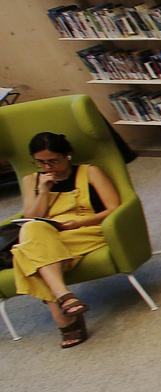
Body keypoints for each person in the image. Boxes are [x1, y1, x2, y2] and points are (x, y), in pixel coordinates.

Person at [8, 130, 120, 349]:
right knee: (32, 229)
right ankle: (65, 297)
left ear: (67, 155)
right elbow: (31, 216)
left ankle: (63, 318)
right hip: (48, 233)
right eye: (41, 163)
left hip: (84, 229)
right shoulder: (32, 180)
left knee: (25, 254)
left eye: (53, 161)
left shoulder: (90, 172)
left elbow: (114, 207)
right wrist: (43, 191)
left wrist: (77, 223)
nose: (48, 167)